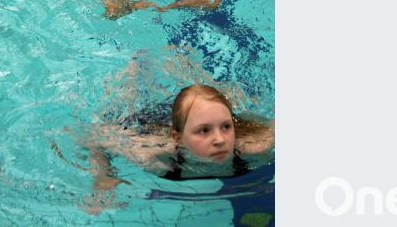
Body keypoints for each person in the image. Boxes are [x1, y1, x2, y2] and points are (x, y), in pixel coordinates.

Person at [82, 84, 274, 214]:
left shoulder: (256, 147)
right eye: (204, 131)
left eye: (226, 127)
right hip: (151, 121)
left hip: (194, 118)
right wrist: (103, 176)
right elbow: (94, 136)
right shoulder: (153, 157)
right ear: (178, 138)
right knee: (127, 99)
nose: (219, 139)